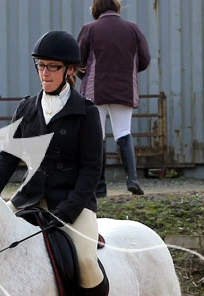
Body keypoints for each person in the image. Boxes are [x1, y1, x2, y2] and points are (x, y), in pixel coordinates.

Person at [0, 31, 116, 296]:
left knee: (85, 260)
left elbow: (91, 171)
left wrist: (68, 211)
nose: (44, 73)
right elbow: (7, 159)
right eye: (40, 66)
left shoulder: (86, 113)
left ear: (69, 70)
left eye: (52, 67)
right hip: (29, 200)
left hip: (73, 204)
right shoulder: (27, 108)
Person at [78, 0, 151, 196]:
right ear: (117, 7)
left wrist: (85, 76)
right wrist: (127, 71)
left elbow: (78, 60)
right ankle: (132, 179)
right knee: (124, 132)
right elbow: (145, 59)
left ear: (95, 8)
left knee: (97, 136)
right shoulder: (132, 29)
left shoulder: (89, 29)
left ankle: (99, 187)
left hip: (96, 90)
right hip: (124, 88)